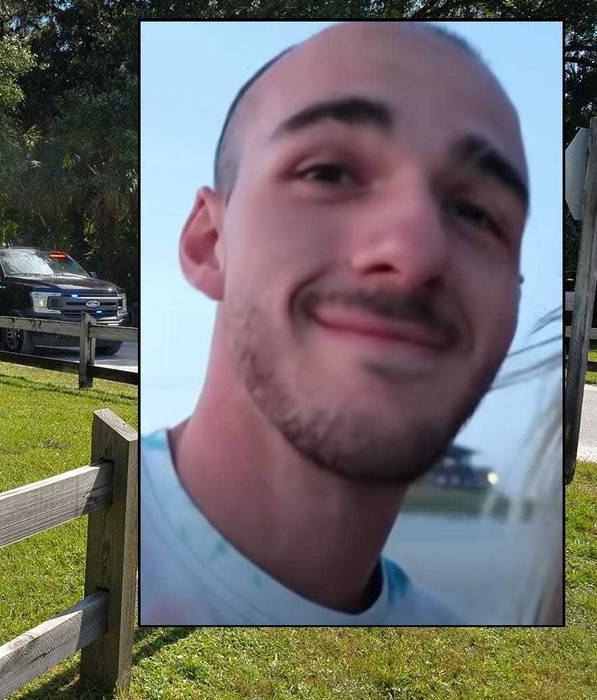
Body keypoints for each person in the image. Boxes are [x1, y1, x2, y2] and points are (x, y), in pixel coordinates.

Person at [141, 22, 530, 624]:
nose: (415, 252)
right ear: (209, 244)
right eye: (328, 172)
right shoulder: (86, 543)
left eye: (477, 213)